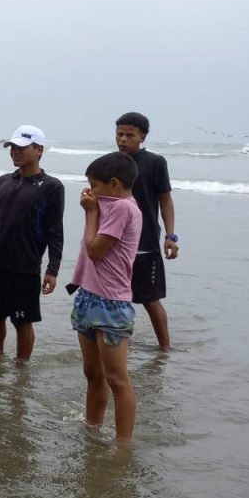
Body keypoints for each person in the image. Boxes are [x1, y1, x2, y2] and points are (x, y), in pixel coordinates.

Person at [0, 125, 65, 363]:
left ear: (39, 149)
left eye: (21, 148)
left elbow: (55, 231)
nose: (15, 152)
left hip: (26, 266)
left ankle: (22, 369)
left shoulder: (52, 186)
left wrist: (52, 270)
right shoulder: (3, 182)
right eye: (12, 147)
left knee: (23, 321)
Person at [69, 151, 143, 445]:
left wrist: (90, 213)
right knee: (92, 373)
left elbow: (95, 249)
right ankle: (92, 428)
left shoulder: (124, 209)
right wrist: (95, 207)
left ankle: (123, 444)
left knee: (116, 379)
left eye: (94, 185)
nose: (91, 191)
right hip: (88, 297)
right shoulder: (109, 204)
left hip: (112, 304)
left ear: (114, 183)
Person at [114, 112, 178, 350]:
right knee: (116, 297)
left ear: (143, 137)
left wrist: (170, 236)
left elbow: (165, 200)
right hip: (114, 244)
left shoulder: (155, 163)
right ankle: (119, 344)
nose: (123, 139)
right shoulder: (111, 163)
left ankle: (165, 349)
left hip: (146, 243)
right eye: (119, 134)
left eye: (129, 135)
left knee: (151, 299)